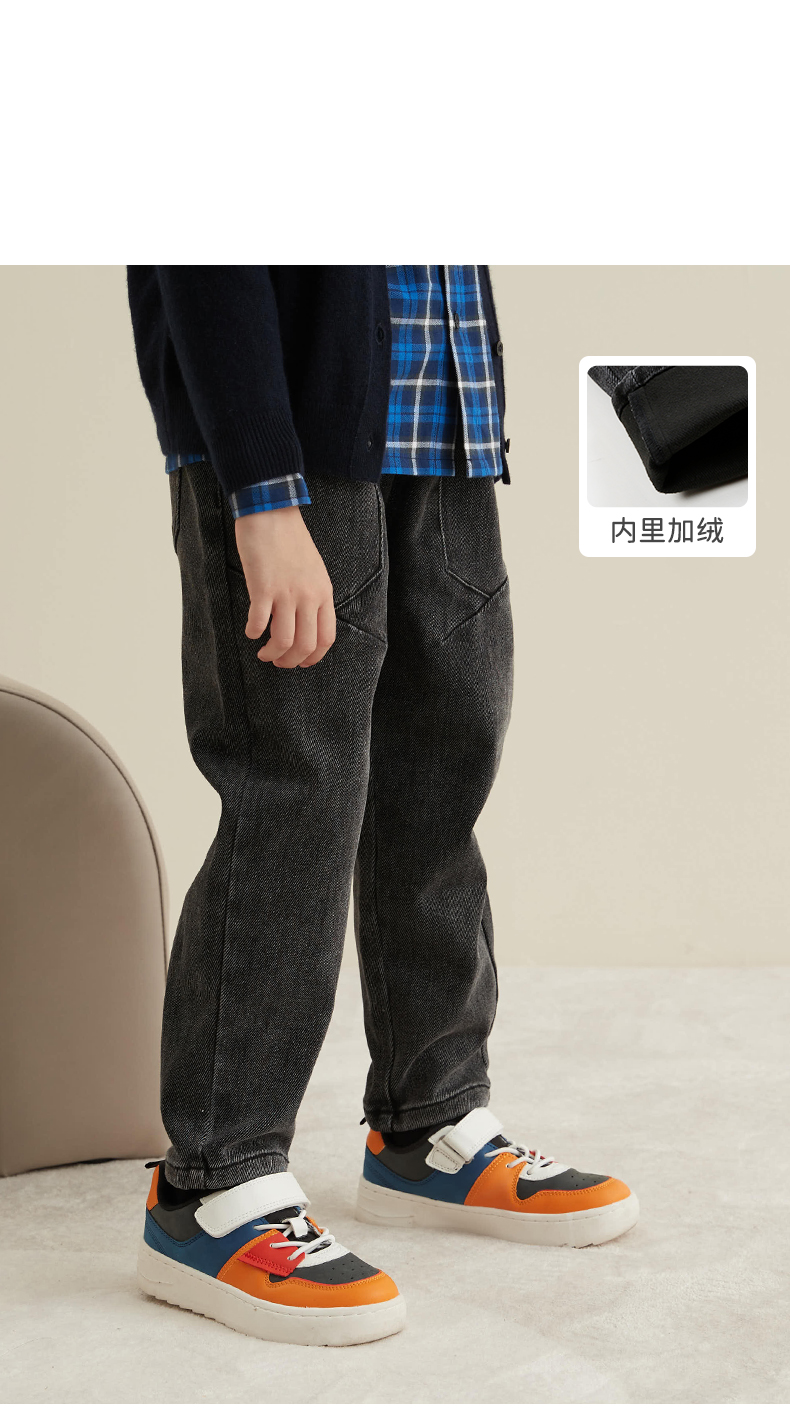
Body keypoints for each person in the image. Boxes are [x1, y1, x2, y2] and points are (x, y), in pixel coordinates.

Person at [127, 266, 638, 1348]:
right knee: (294, 795)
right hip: (290, 453)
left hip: (445, 430)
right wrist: (258, 488)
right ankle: (213, 1184)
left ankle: (428, 1123)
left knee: (439, 785)